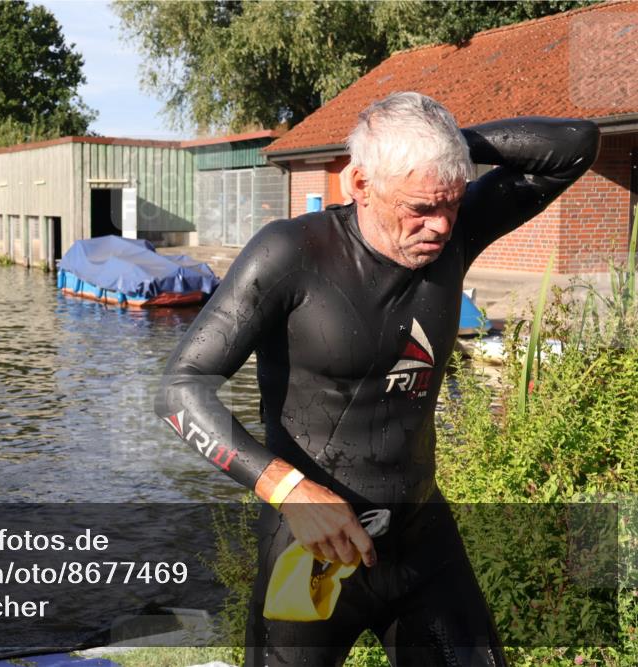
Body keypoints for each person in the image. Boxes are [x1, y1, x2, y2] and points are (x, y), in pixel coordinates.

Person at [155, 92, 599, 666]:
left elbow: (575, 144)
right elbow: (179, 389)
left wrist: (440, 144)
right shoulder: (291, 255)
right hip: (311, 544)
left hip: (419, 538)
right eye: (419, 205)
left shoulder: (452, 234)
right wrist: (288, 491)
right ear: (360, 183)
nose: (439, 226)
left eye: (452, 202)